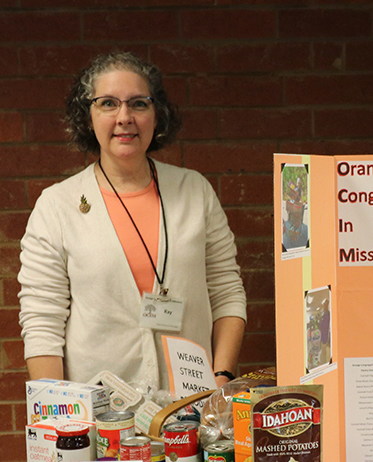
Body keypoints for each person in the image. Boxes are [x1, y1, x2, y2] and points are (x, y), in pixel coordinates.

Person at [18, 51, 246, 393]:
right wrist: (57, 409)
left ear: (157, 115)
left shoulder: (194, 191)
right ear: (87, 117)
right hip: (97, 411)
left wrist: (221, 377)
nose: (124, 117)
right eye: (108, 104)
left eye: (139, 104)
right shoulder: (57, 206)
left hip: (190, 405)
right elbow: (41, 321)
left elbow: (227, 291)